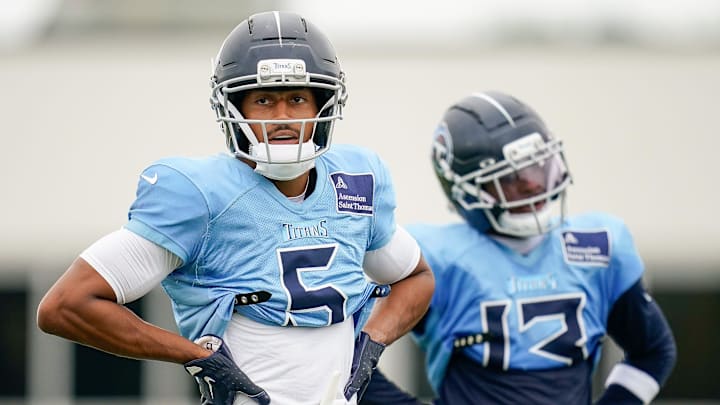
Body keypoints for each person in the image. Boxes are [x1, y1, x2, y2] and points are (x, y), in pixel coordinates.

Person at [36, 10, 434, 405]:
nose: (282, 118)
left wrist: (373, 342)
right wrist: (194, 355)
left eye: (297, 98)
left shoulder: (353, 179)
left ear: (324, 104)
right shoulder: (200, 194)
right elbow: (66, 306)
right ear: (232, 108)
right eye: (263, 100)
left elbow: (416, 278)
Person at [361, 91, 676, 404]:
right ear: (467, 191)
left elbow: (652, 351)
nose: (534, 184)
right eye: (512, 177)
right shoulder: (434, 256)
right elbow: (351, 354)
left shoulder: (598, 244)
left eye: (538, 166)